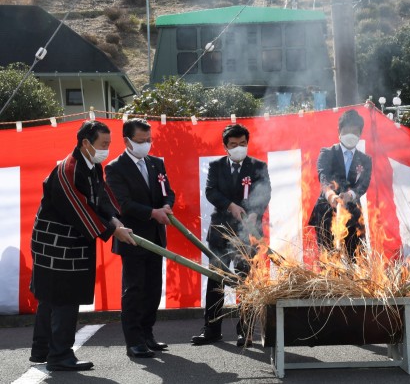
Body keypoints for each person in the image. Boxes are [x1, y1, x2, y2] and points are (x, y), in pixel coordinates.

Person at [29, 121, 135, 371]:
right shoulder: (68, 168)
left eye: (109, 144)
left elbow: (103, 197)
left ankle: (43, 351)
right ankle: (60, 356)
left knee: (52, 299)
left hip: (71, 243)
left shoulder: (92, 166)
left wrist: (115, 218)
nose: (107, 149)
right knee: (62, 299)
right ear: (86, 143)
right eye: (103, 144)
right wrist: (112, 230)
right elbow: (79, 209)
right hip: (56, 246)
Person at [191, 124, 271, 348]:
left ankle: (245, 331)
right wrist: (230, 206)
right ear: (226, 146)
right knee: (216, 279)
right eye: (233, 145)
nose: (238, 148)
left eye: (242, 144)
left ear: (247, 143)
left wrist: (255, 212)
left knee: (246, 280)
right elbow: (211, 191)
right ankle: (211, 330)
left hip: (248, 233)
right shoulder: (216, 166)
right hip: (221, 231)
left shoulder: (258, 166)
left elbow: (266, 192)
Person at [105, 118, 175, 358]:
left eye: (149, 139)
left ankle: (148, 334)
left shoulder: (156, 164)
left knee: (154, 289)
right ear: (127, 141)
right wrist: (152, 213)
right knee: (134, 289)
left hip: (156, 238)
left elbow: (168, 192)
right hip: (133, 238)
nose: (147, 144)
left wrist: (166, 205)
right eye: (141, 141)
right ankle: (134, 341)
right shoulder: (115, 168)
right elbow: (122, 204)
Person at [309, 109, 372, 258]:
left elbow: (363, 184)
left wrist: (350, 195)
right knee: (328, 258)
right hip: (326, 210)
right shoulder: (327, 153)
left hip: (352, 211)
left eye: (355, 131)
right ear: (339, 131)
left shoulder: (365, 160)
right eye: (348, 130)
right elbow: (323, 176)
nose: (351, 135)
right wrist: (330, 195)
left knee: (354, 257)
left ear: (360, 134)